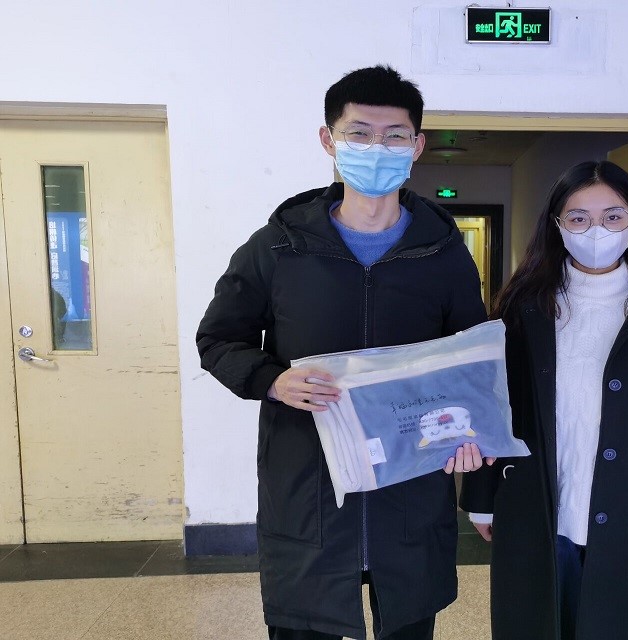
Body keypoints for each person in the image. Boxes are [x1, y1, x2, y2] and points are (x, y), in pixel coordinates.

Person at [197, 65, 491, 640]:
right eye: (359, 133)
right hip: (309, 483)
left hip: (408, 487)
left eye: (394, 135)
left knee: (407, 619)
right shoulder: (279, 247)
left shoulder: (443, 253)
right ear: (328, 140)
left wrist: (469, 433)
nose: (376, 148)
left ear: (417, 146)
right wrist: (272, 380)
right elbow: (218, 339)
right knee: (306, 624)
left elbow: (469, 360)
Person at [460, 160, 628, 640]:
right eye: (579, 217)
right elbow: (489, 403)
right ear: (557, 225)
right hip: (536, 511)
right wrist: (481, 498)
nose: (596, 231)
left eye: (613, 216)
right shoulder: (522, 306)